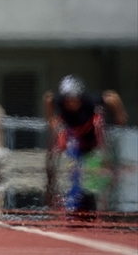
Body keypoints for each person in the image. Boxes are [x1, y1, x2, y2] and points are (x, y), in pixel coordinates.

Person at [43, 75, 128, 212]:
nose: (71, 102)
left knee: (91, 177)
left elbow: (112, 96)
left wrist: (120, 114)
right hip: (72, 132)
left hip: (90, 132)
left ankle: (100, 169)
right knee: (73, 165)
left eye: (75, 99)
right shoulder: (59, 101)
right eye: (68, 99)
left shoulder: (89, 101)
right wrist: (50, 120)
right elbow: (47, 99)